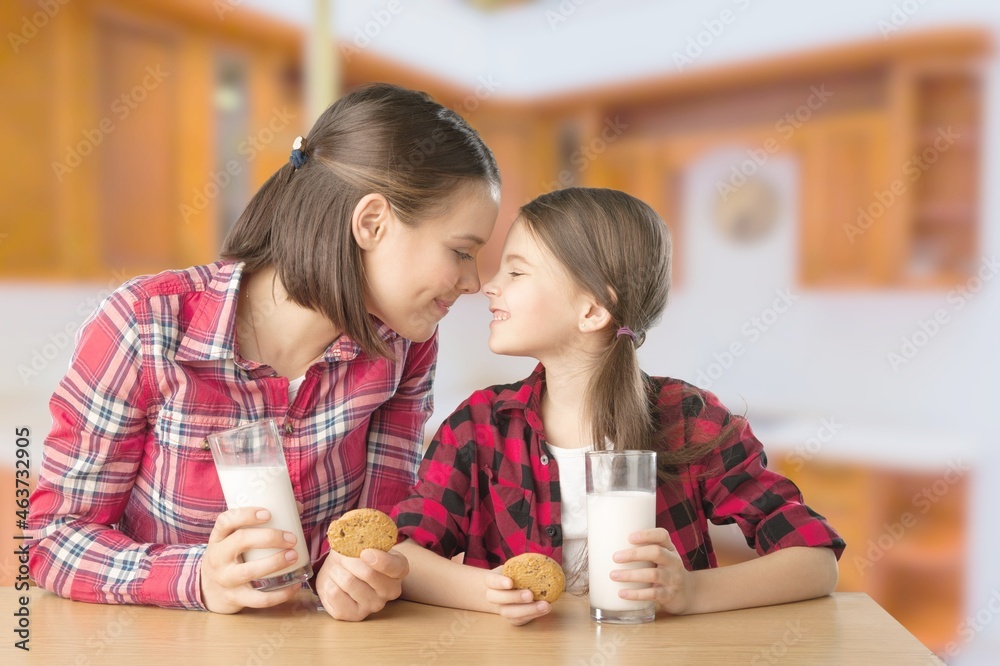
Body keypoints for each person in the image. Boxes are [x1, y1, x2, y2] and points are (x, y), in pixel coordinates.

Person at [27, 83, 501, 620]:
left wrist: (355, 575)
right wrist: (197, 577)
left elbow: (380, 530)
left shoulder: (403, 348)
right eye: (462, 251)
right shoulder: (145, 326)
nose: (473, 281)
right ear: (372, 223)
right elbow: (50, 541)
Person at [391, 187, 845, 625]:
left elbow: (814, 561)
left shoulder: (687, 419)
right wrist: (493, 594)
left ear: (592, 311)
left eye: (516, 272)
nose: (488, 286)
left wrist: (691, 592)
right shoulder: (479, 425)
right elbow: (403, 555)